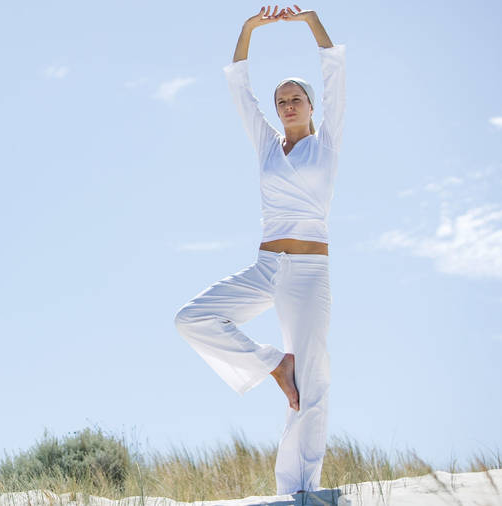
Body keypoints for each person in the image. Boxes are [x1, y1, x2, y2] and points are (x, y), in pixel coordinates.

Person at [173, 4, 345, 496]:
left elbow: (335, 71)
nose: (287, 105)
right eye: (281, 100)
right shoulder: (268, 146)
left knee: (313, 382)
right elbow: (238, 89)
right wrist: (249, 29)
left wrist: (310, 21)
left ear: (312, 106)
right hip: (268, 266)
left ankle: (301, 489)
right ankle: (272, 363)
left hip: (310, 271)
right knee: (191, 318)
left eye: (296, 98)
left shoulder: (327, 144)